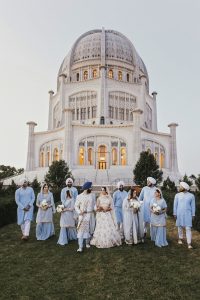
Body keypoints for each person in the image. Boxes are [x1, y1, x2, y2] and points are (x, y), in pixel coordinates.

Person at [173, 181, 196, 249]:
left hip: (188, 214)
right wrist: (174, 213)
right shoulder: (177, 195)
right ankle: (180, 238)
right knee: (179, 226)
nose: (179, 187)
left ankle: (189, 243)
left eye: (180, 186)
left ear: (184, 188)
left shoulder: (191, 196)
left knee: (188, 228)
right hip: (179, 213)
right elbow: (175, 205)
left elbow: (193, 206)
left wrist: (193, 214)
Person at [75, 181, 94, 252]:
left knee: (89, 230)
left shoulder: (91, 196)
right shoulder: (79, 196)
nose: (91, 189)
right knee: (81, 231)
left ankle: (87, 243)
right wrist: (80, 212)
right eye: (90, 187)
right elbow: (76, 206)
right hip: (82, 216)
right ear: (86, 188)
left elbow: (92, 206)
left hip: (90, 215)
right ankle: (80, 247)